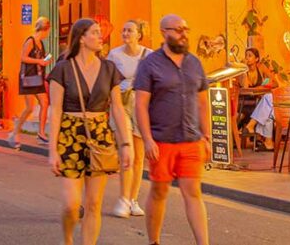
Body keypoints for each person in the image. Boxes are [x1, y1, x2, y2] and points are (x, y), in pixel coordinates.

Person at [47, 18, 131, 245]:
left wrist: (125, 144)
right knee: (71, 205)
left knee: (94, 204)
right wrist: (52, 150)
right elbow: (55, 110)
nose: (100, 36)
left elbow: (118, 108)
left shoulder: (109, 69)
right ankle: (67, 239)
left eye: (100, 32)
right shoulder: (63, 69)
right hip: (70, 135)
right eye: (94, 32)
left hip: (100, 135)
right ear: (81, 38)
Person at [134, 14, 211, 245]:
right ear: (163, 32)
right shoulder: (149, 64)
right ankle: (154, 241)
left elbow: (203, 103)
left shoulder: (194, 63)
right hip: (162, 140)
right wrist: (147, 139)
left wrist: (207, 136)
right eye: (177, 30)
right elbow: (141, 104)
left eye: (185, 29)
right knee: (159, 191)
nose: (183, 34)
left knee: (193, 192)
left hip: (191, 140)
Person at [105, 20, 151, 219]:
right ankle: (123, 199)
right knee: (127, 151)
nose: (125, 33)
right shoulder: (114, 55)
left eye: (129, 30)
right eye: (123, 30)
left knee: (139, 156)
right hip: (121, 103)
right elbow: (106, 79)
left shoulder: (149, 55)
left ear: (139, 34)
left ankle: (133, 199)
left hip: (141, 105)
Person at [8, 17, 51, 147]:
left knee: (45, 103)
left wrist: (44, 60)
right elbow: (23, 57)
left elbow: (38, 59)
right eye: (48, 30)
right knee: (29, 108)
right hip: (28, 78)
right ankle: (15, 132)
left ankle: (41, 133)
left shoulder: (40, 43)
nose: (48, 33)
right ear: (45, 29)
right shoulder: (30, 41)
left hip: (38, 78)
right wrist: (39, 61)